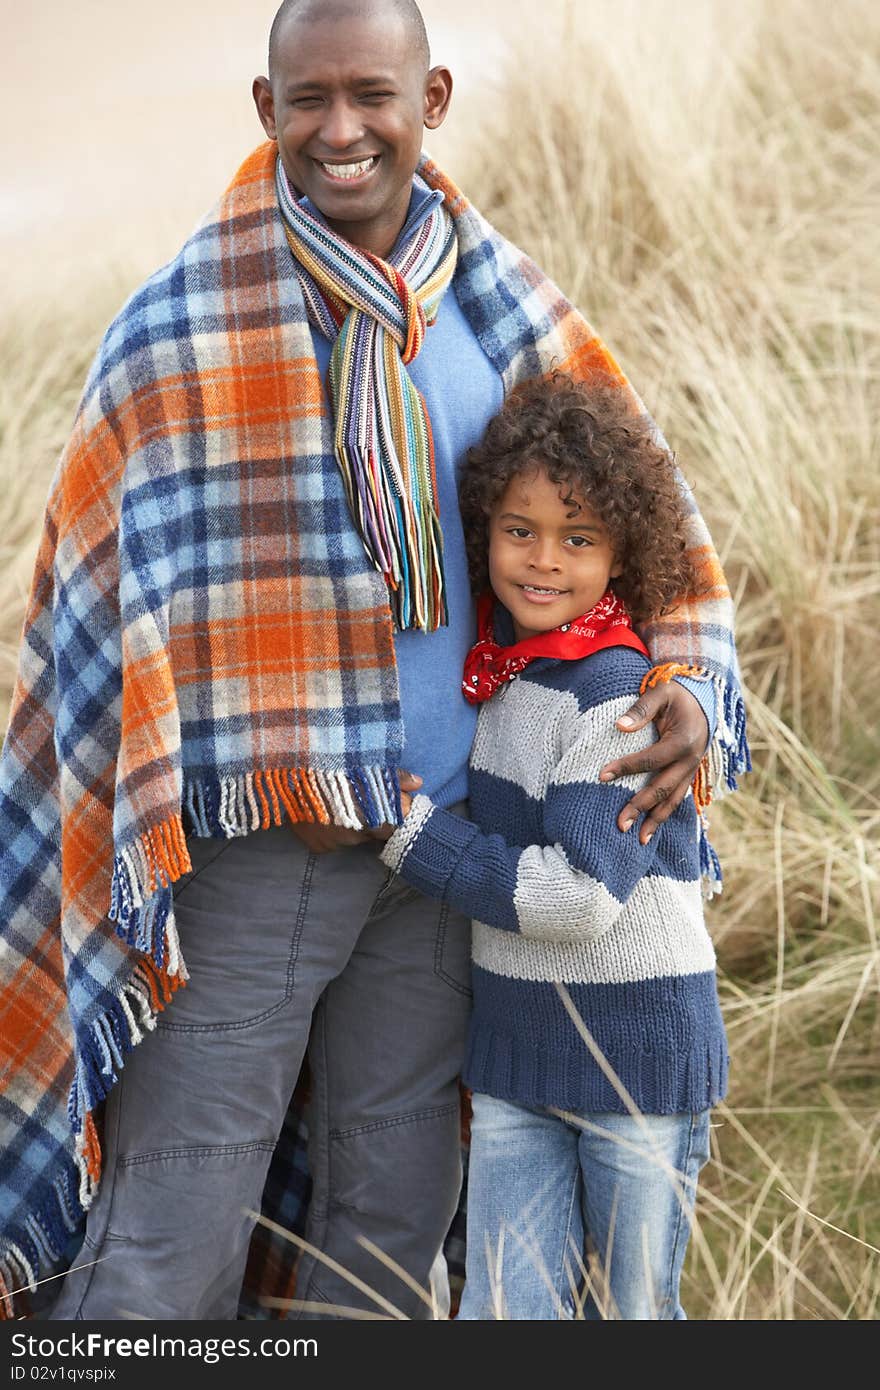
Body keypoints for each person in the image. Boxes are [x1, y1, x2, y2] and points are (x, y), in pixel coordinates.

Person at [0, 0, 748, 1322]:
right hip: (256, 860)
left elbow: (651, 520)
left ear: (433, 98)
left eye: (373, 95)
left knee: (393, 1224)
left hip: (450, 850)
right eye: (309, 99)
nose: (341, 129)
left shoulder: (501, 304)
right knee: (174, 1226)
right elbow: (90, 612)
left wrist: (683, 682)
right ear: (265, 107)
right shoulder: (176, 334)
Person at [379, 373, 730, 1319]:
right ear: (483, 531)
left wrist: (410, 837)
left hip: (638, 1062)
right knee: (503, 1310)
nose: (543, 560)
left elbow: (576, 899)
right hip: (515, 1061)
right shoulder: (500, 678)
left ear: (620, 554)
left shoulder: (619, 699)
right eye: (519, 530)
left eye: (578, 539)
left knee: (630, 1314)